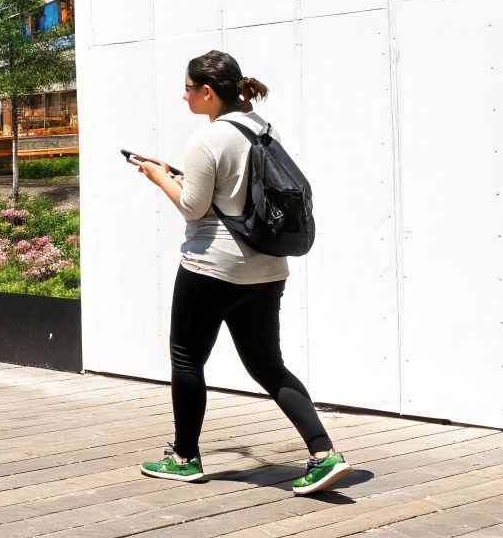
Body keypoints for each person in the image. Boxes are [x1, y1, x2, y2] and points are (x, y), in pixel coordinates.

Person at [133, 51, 350, 494]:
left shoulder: (207, 137)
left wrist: (158, 176)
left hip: (214, 265)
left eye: (189, 88)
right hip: (268, 266)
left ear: (208, 92)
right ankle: (323, 452)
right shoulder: (260, 128)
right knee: (268, 365)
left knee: (187, 357)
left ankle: (184, 457)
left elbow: (194, 209)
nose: (184, 95)